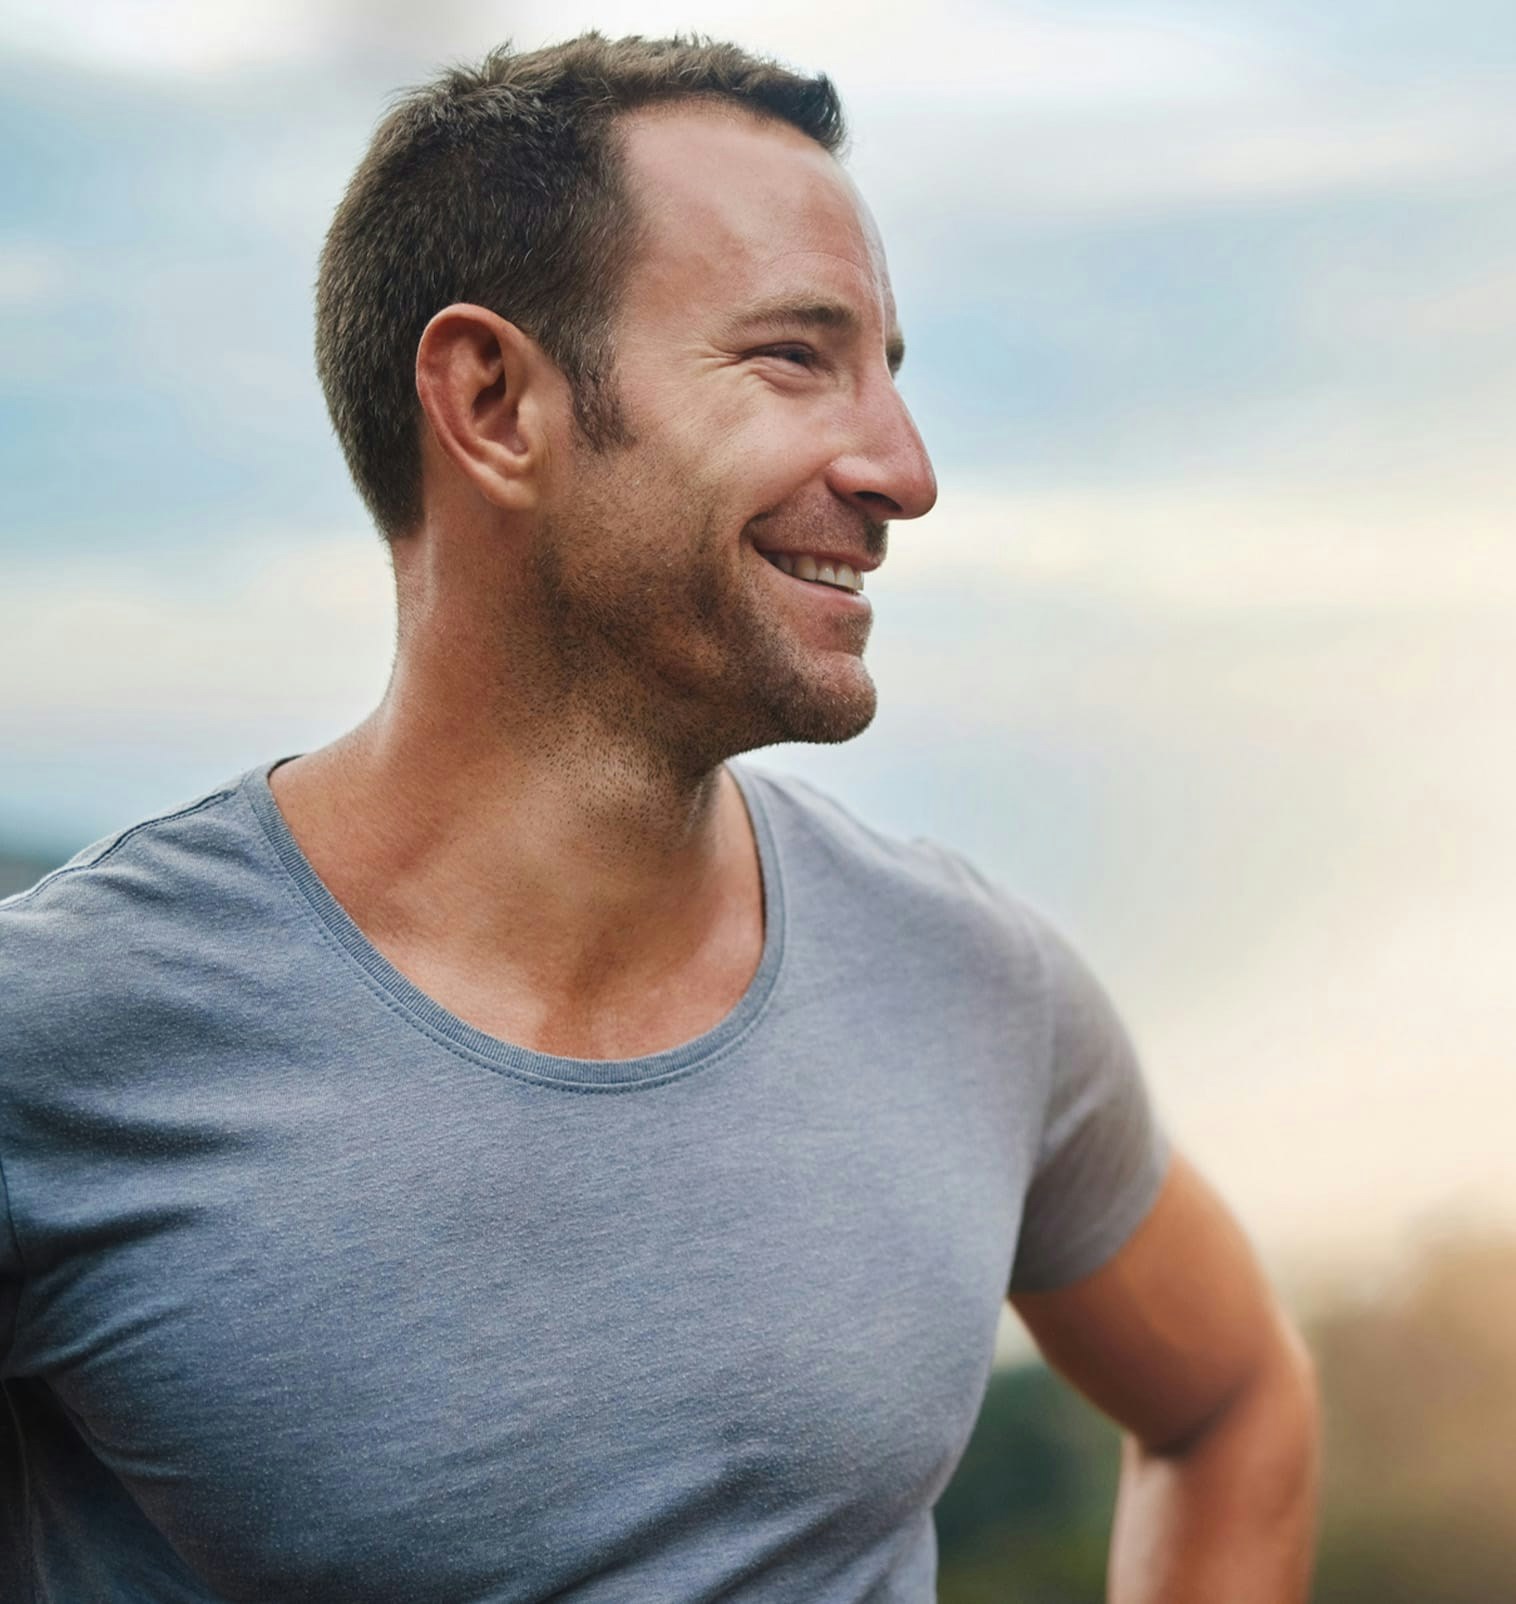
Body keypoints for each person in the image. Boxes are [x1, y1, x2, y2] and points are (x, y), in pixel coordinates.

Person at [0, 32, 1319, 1603]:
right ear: (494, 402)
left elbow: (1235, 1400)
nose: (904, 470)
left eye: (892, 369)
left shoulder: (974, 983)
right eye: (793, 357)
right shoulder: (60, 1044)